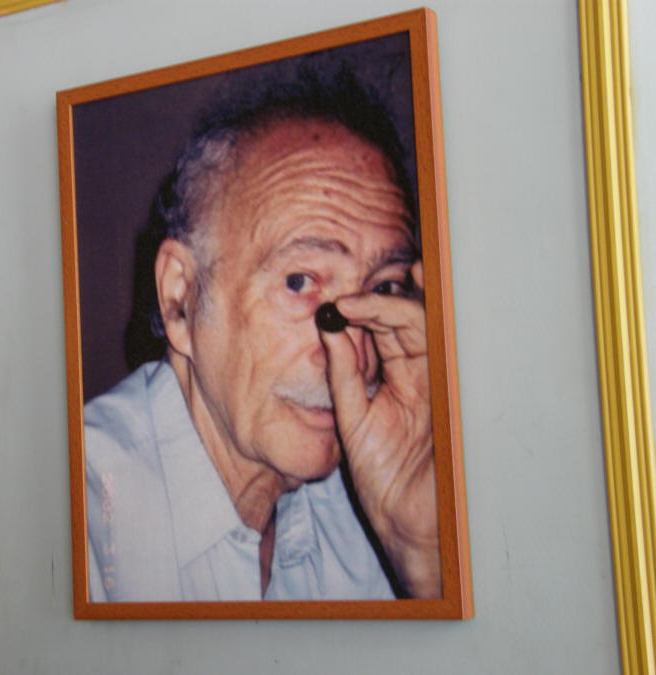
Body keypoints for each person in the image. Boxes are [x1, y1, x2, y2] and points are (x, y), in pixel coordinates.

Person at [84, 61, 440, 602]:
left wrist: (422, 554)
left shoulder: (375, 495)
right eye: (299, 282)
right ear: (180, 298)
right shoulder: (74, 518)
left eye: (384, 289)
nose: (352, 356)